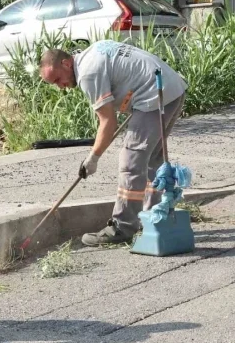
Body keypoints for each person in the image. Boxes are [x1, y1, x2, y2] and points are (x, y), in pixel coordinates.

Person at [39, 39, 187, 247]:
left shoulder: (88, 74)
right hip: (171, 88)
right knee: (152, 159)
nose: (60, 87)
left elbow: (108, 121)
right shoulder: (93, 52)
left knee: (131, 161)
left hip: (154, 95)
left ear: (66, 63)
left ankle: (122, 227)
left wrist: (93, 158)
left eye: (57, 79)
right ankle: (156, 218)